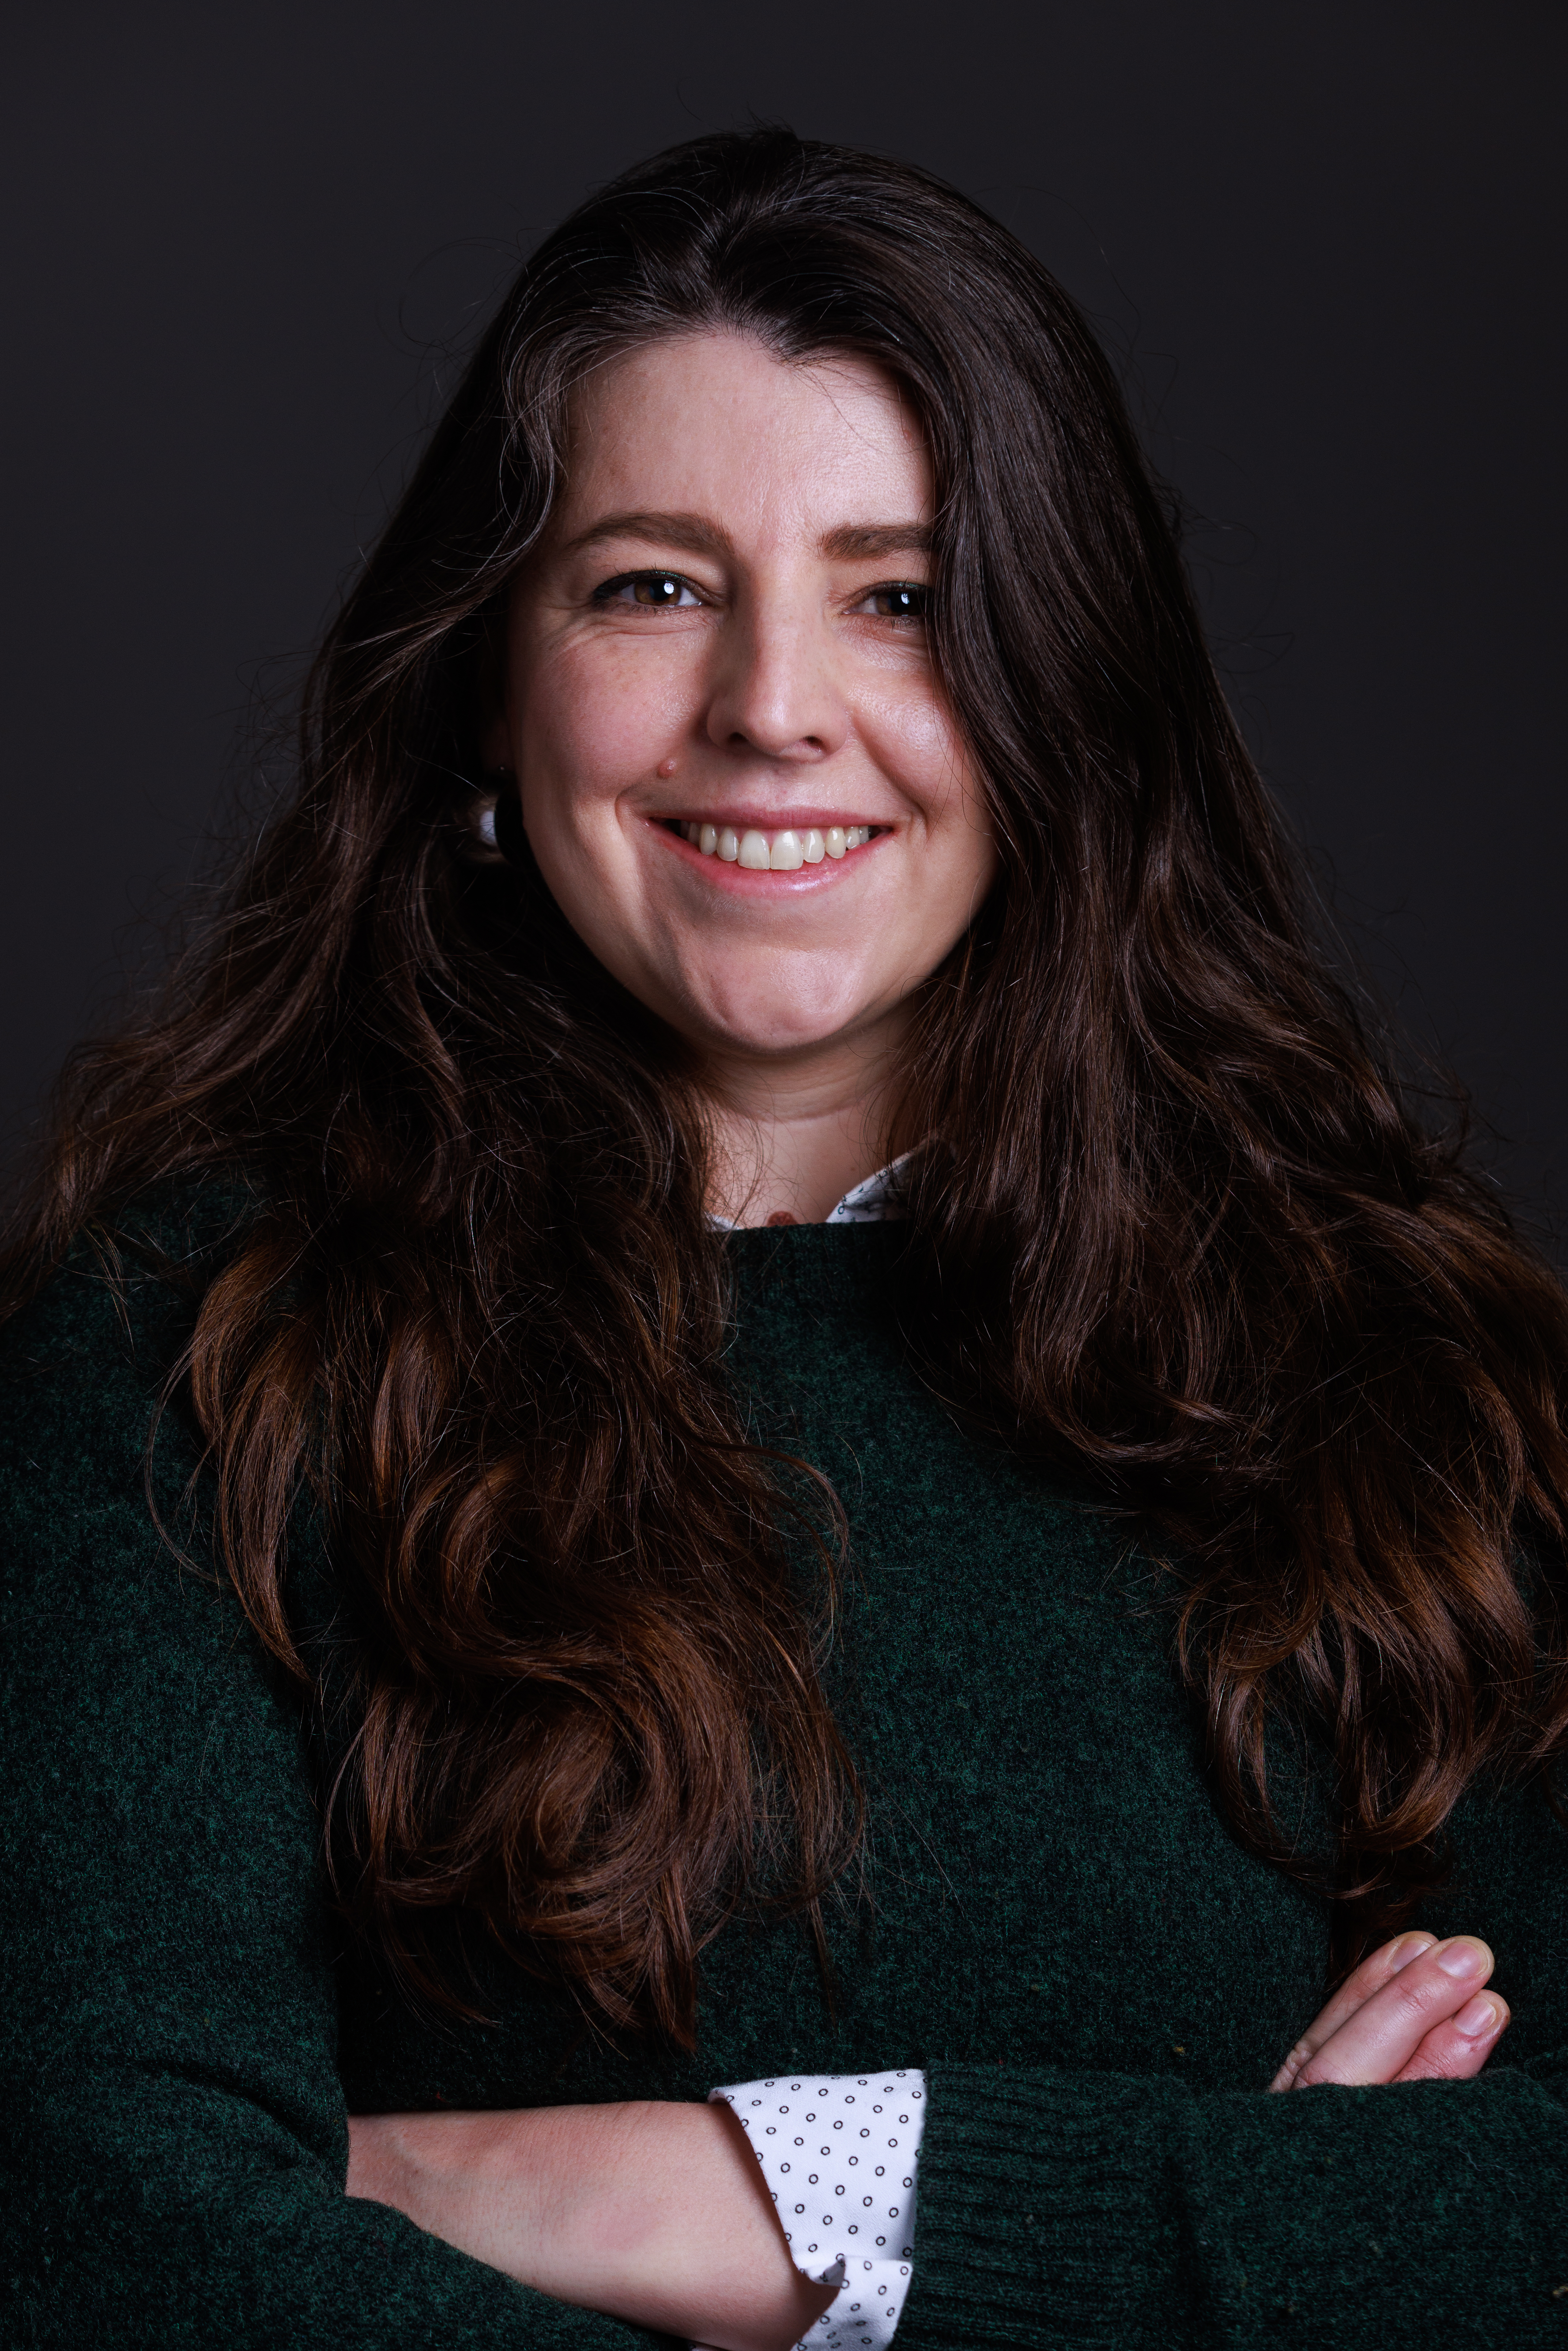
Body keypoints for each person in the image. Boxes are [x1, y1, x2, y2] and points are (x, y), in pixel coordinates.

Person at [5, 127, 1568, 2351]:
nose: (770, 707)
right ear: (487, 682)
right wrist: (1254, 2239)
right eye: (651, 583)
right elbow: (101, 2233)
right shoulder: (189, 1361)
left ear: (1064, 692)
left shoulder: (1403, 1376)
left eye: (903, 597)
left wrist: (799, 2196)